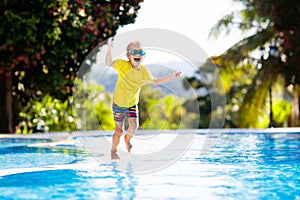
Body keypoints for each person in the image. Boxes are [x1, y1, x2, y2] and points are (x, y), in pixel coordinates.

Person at [105, 37, 182, 159]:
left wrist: (172, 76)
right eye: (134, 52)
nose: (137, 55)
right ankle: (113, 151)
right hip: (119, 103)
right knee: (119, 130)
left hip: (131, 104)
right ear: (128, 56)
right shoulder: (122, 65)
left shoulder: (144, 72)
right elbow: (109, 63)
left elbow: (156, 81)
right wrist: (109, 48)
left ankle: (127, 139)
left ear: (143, 56)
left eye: (140, 53)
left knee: (134, 126)